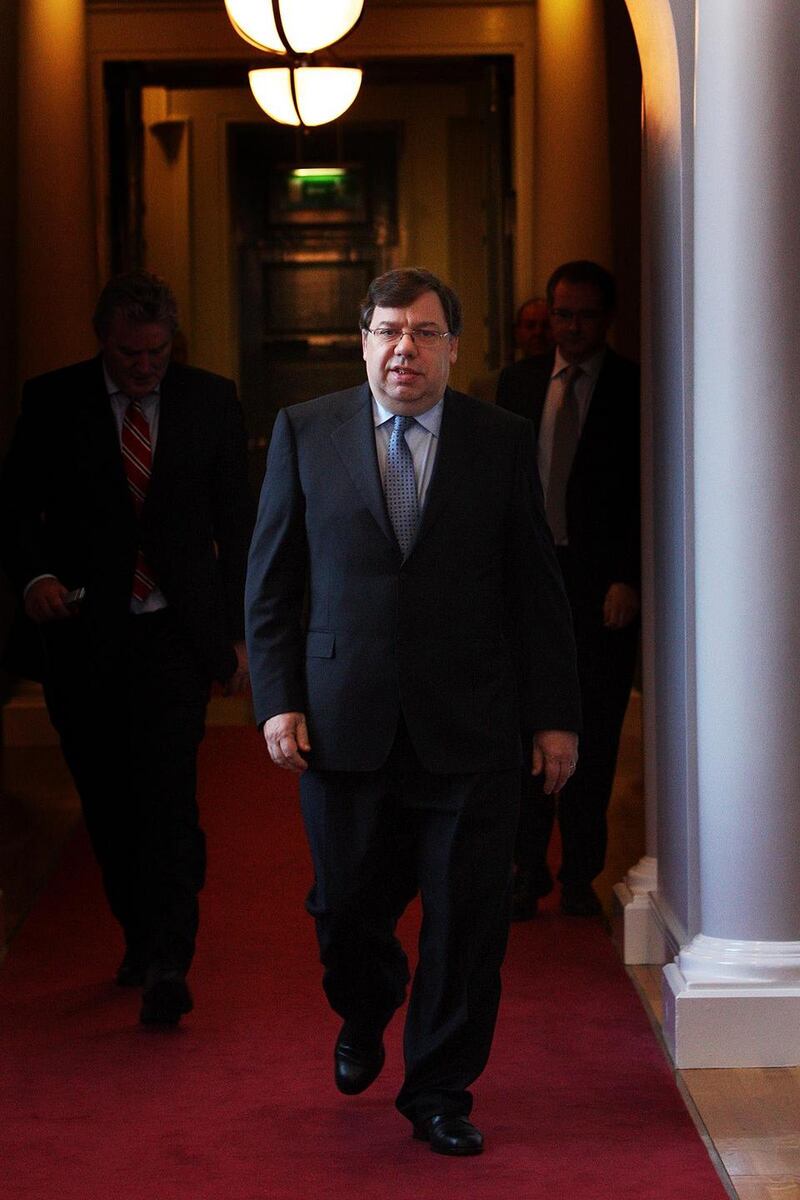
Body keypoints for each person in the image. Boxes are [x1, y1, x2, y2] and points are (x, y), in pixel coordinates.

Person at [245, 267, 581, 1156]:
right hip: (341, 722)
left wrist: (555, 716)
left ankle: (438, 1090)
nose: (406, 348)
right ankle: (366, 1002)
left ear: (453, 348)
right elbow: (272, 583)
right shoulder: (302, 432)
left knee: (467, 922)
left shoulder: (500, 440)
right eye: (389, 330)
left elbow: (535, 591)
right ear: (363, 342)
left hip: (471, 726)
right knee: (344, 911)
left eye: (425, 333)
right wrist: (276, 699)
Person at [0, 271, 252, 1025]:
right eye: (130, 354)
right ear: (102, 342)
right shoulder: (55, 400)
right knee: (108, 801)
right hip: (85, 631)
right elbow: (14, 506)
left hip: (176, 628)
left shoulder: (210, 399)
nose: (146, 367)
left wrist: (238, 634)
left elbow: (239, 522)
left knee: (170, 795)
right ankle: (141, 937)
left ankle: (172, 959)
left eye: (158, 352)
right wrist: (36, 575)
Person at [496, 260, 640, 919]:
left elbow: (649, 491)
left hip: (599, 587)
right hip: (527, 579)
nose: (571, 326)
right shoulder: (518, 385)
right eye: (562, 314)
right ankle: (527, 871)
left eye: (583, 314)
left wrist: (630, 577)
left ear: (605, 318)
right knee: (523, 725)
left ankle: (580, 872)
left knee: (592, 731)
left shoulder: (634, 388)